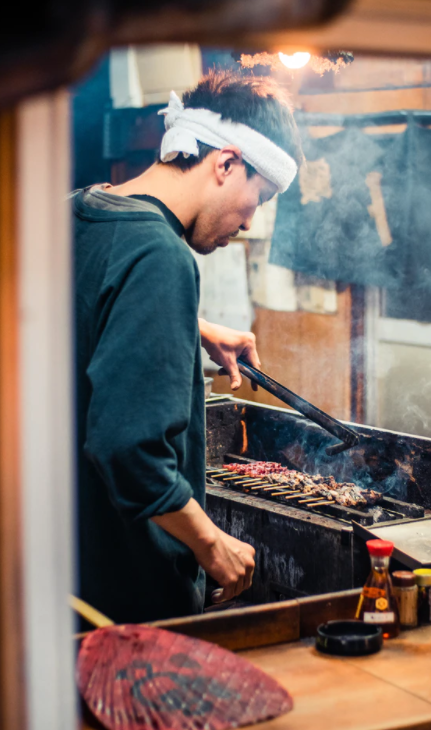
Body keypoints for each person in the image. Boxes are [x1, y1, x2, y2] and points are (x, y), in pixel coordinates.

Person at [72, 71, 303, 624]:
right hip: (124, 601)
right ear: (225, 163)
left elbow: (82, 297)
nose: (250, 222)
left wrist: (190, 324)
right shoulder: (161, 257)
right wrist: (210, 546)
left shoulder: (81, 208)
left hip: (61, 575)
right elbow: (127, 449)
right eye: (259, 198)